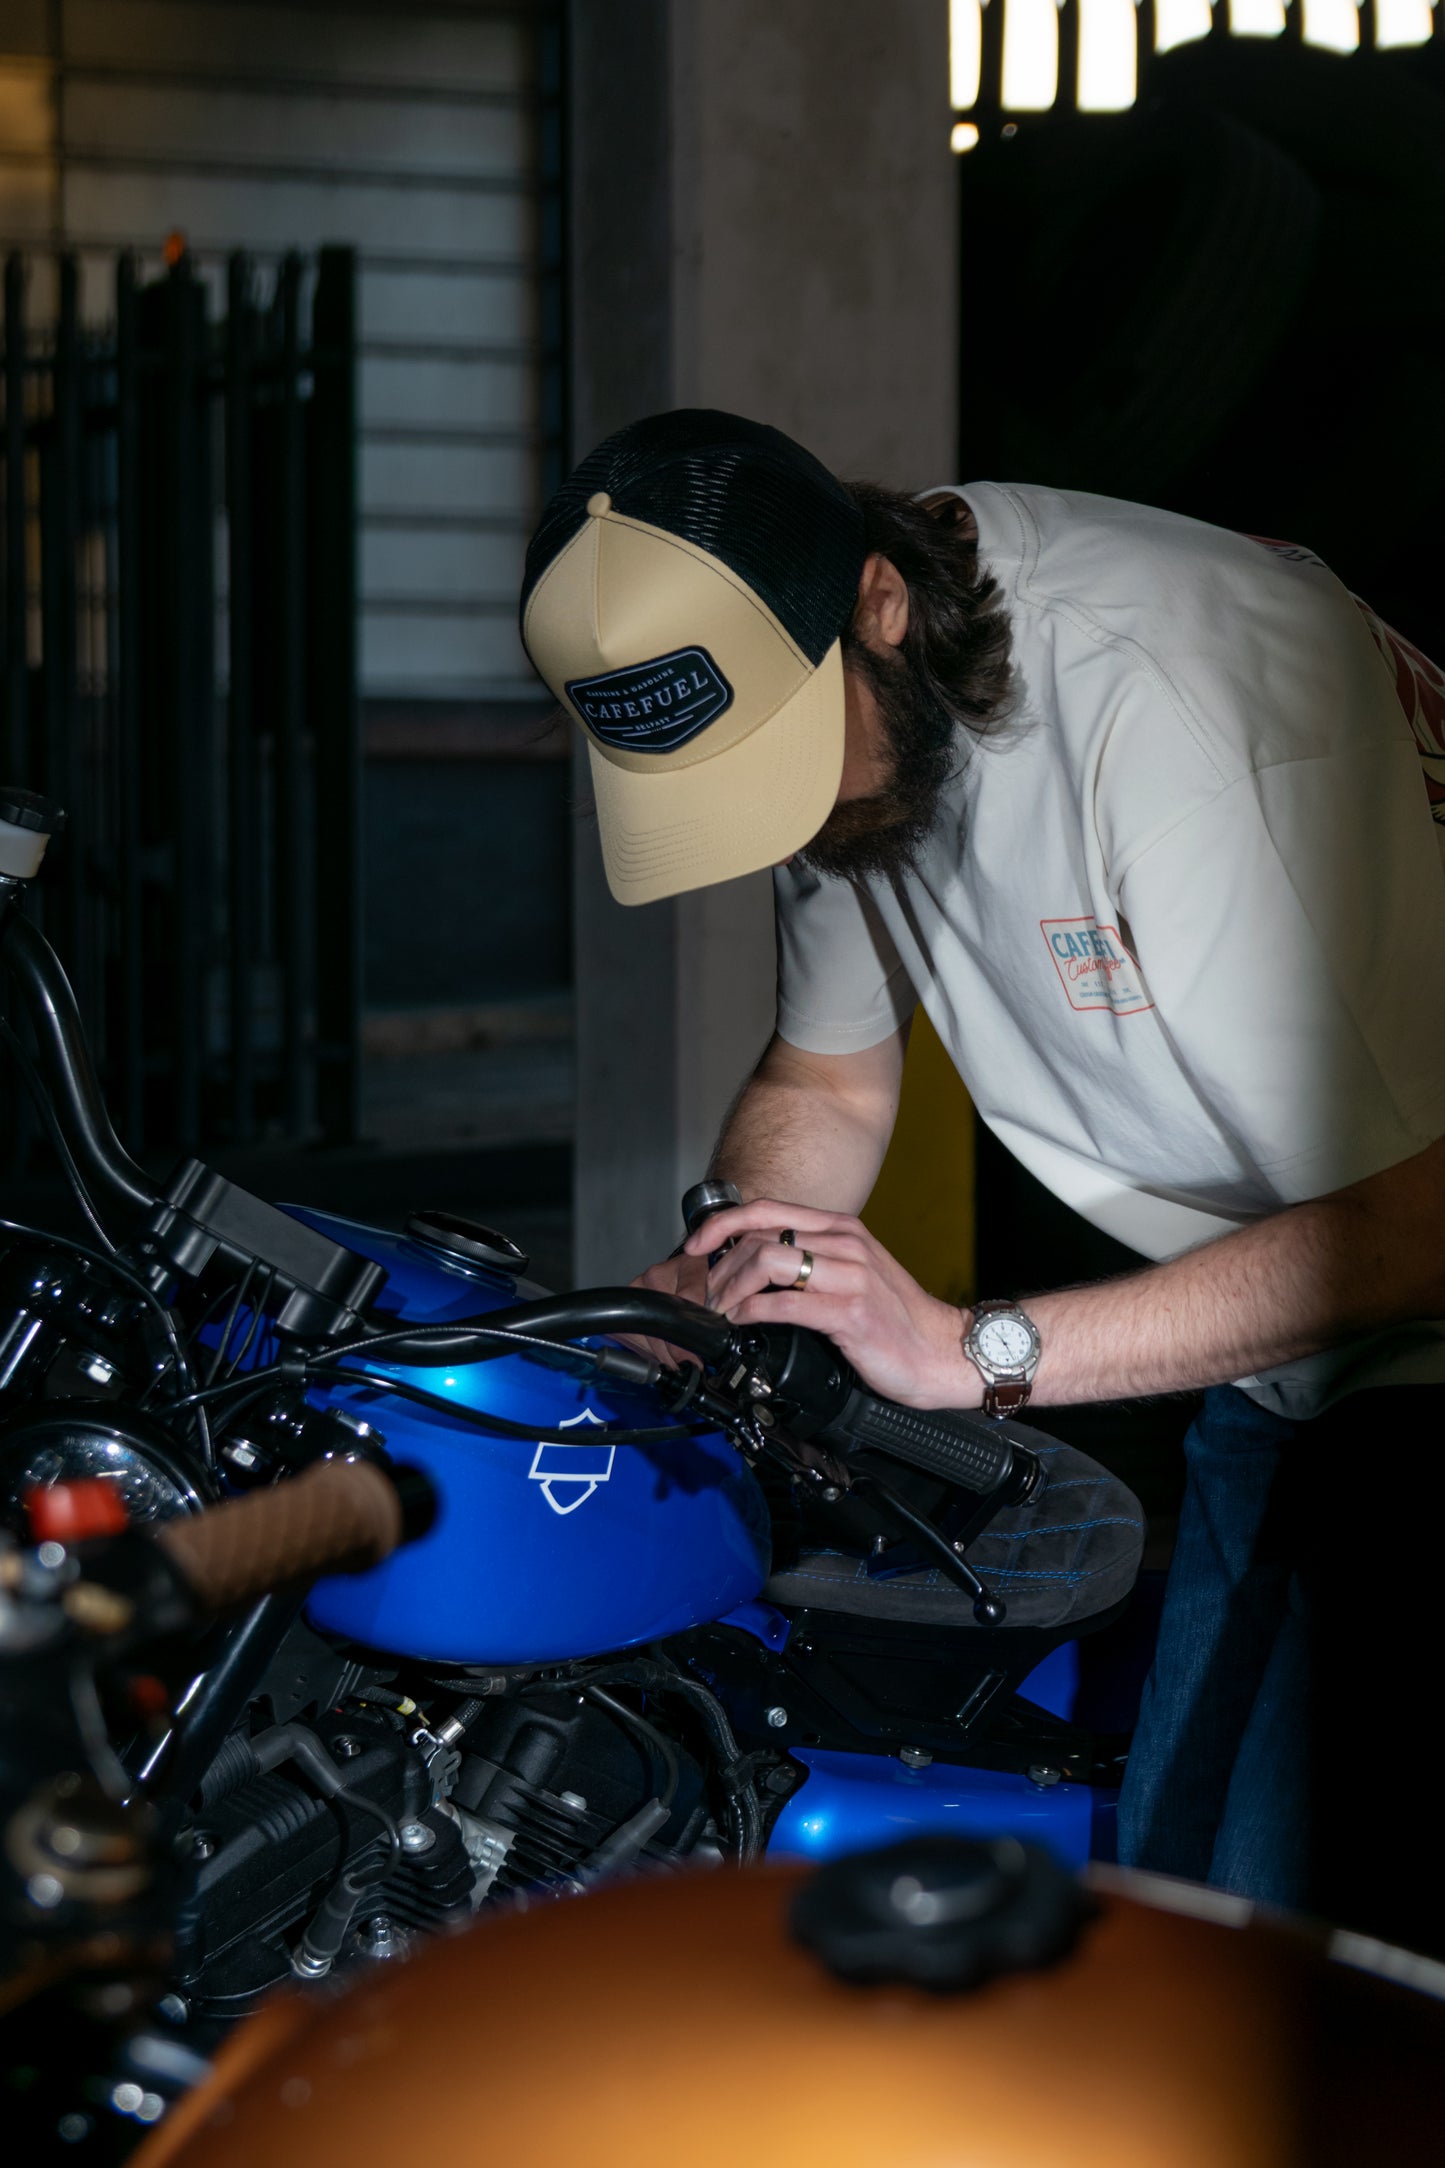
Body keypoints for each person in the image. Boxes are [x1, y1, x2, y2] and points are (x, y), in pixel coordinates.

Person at [519, 408, 1445, 1943]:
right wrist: (739, 1264)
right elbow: (825, 1069)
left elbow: (1421, 1223)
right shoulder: (860, 699)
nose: (800, 821)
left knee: (1311, 1991)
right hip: (1301, 1327)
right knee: (1177, 1909)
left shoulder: (1184, 723)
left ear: (875, 601)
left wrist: (969, 1352)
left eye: (787, 765)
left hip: (1408, 1277)